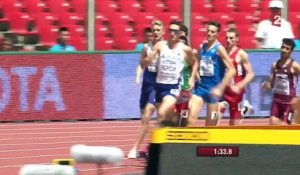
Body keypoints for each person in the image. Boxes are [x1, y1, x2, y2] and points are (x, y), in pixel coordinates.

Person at [141, 20, 195, 127]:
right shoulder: (161, 45)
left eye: (175, 31)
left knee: (161, 113)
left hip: (173, 87)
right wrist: (146, 60)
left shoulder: (185, 49)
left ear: (180, 33)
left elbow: (194, 63)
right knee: (167, 118)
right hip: (159, 86)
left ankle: (159, 142)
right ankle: (180, 122)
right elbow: (145, 62)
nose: (172, 33)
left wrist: (192, 78)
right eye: (171, 31)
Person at [127, 20, 165, 159]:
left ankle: (137, 147)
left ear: (163, 32)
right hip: (146, 85)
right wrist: (137, 76)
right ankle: (146, 147)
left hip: (159, 84)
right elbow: (141, 65)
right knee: (145, 119)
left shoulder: (167, 47)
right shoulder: (146, 47)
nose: (155, 32)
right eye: (153, 30)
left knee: (150, 114)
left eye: (158, 29)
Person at [188, 21, 236, 127]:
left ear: (217, 34)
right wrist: (194, 74)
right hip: (200, 88)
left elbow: (232, 70)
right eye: (208, 31)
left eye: (212, 32)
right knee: (190, 118)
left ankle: (219, 110)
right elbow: (197, 63)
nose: (209, 33)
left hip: (213, 91)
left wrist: (221, 88)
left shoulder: (219, 49)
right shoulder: (203, 47)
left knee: (211, 124)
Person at [217, 28, 255, 125]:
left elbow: (251, 74)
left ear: (237, 39)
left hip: (235, 92)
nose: (228, 40)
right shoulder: (222, 52)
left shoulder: (241, 54)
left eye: (231, 38)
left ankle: (243, 110)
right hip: (224, 90)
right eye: (227, 38)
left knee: (234, 124)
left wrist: (239, 85)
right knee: (216, 118)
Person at [262, 38, 300, 125]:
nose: (284, 50)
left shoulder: (294, 66)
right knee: (272, 122)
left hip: (289, 102)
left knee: (284, 126)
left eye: (287, 49)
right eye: (283, 47)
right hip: (277, 101)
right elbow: (271, 83)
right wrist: (266, 85)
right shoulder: (275, 65)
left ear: (291, 51)